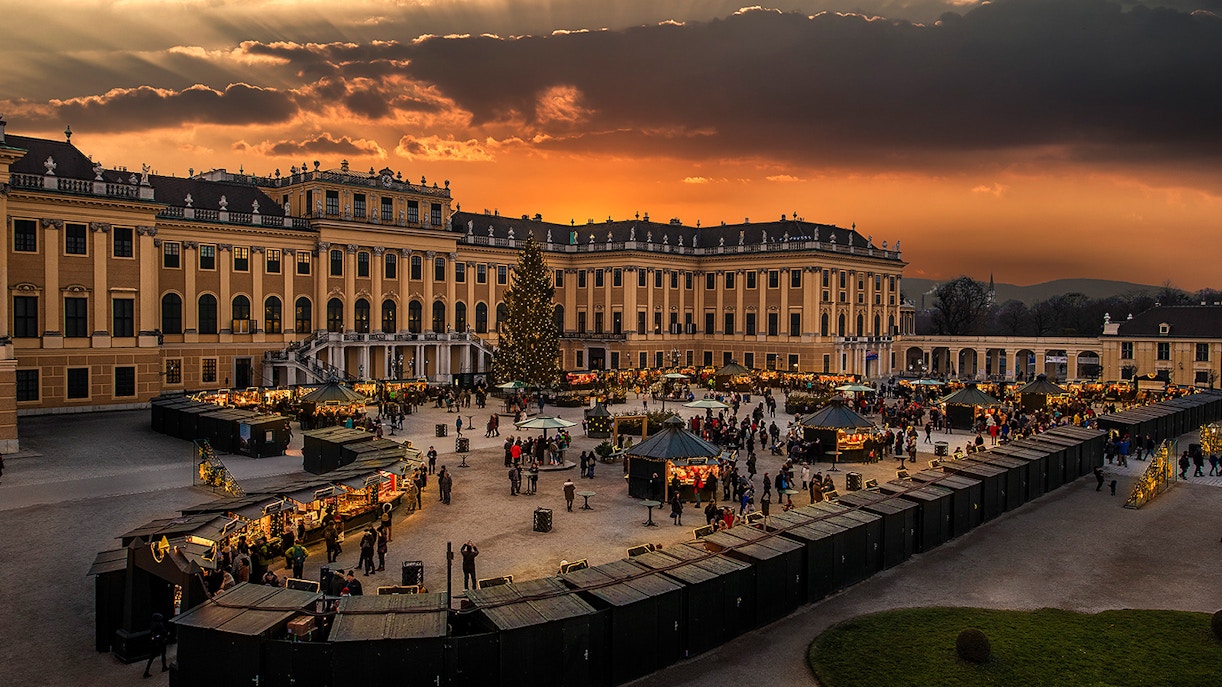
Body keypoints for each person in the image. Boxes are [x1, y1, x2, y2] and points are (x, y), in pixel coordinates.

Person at [142, 613, 168, 678]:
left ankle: (147, 671)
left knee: (152, 657)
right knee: (162, 654)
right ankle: (164, 667)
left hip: (155, 643)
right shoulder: (159, 624)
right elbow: (163, 632)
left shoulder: (153, 624)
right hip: (160, 642)